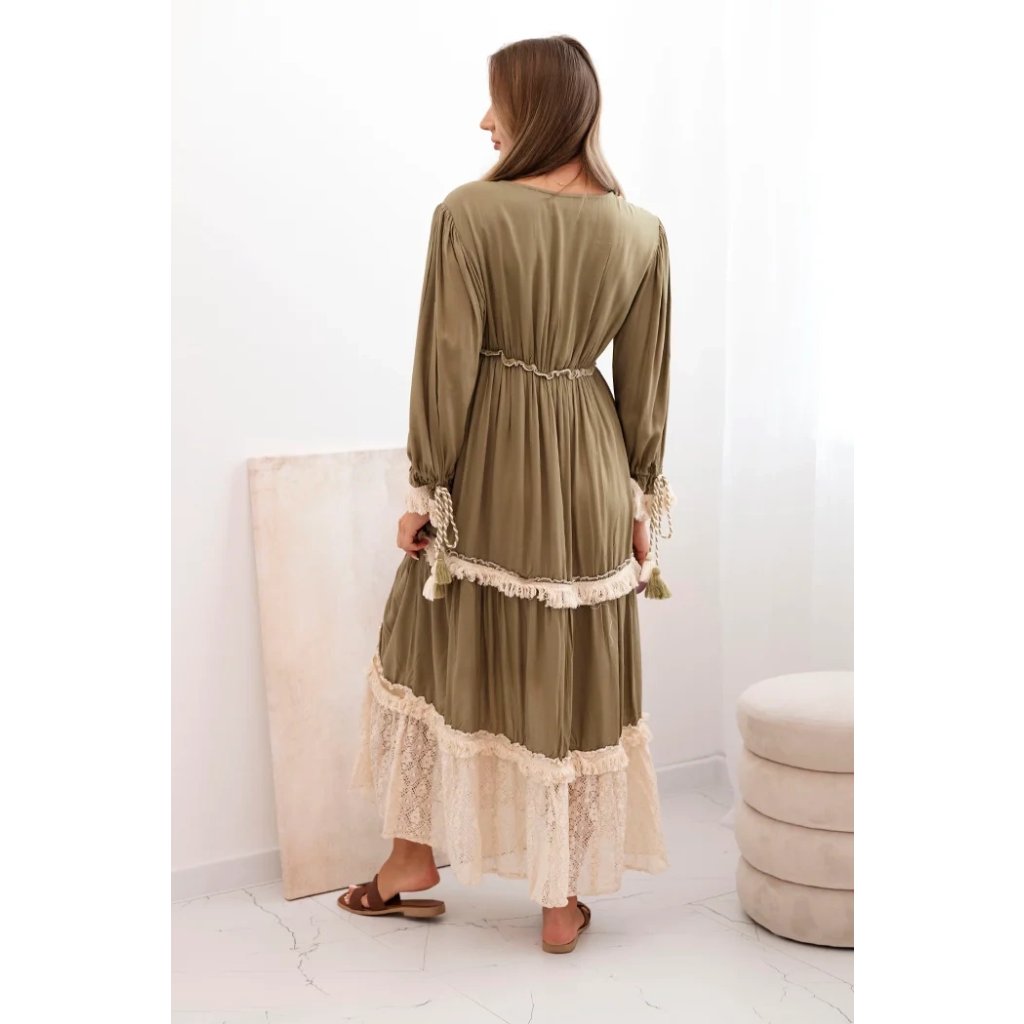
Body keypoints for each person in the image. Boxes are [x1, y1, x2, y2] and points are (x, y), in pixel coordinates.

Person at [343, 34, 675, 955]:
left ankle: (410, 861)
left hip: (491, 460)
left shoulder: (468, 213)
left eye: (496, 101)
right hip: (593, 466)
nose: (485, 120)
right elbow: (646, 384)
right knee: (568, 669)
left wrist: (426, 492)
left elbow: (447, 363)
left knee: (432, 639)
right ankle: (560, 903)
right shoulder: (641, 230)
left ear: (532, 108)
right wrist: (638, 500)